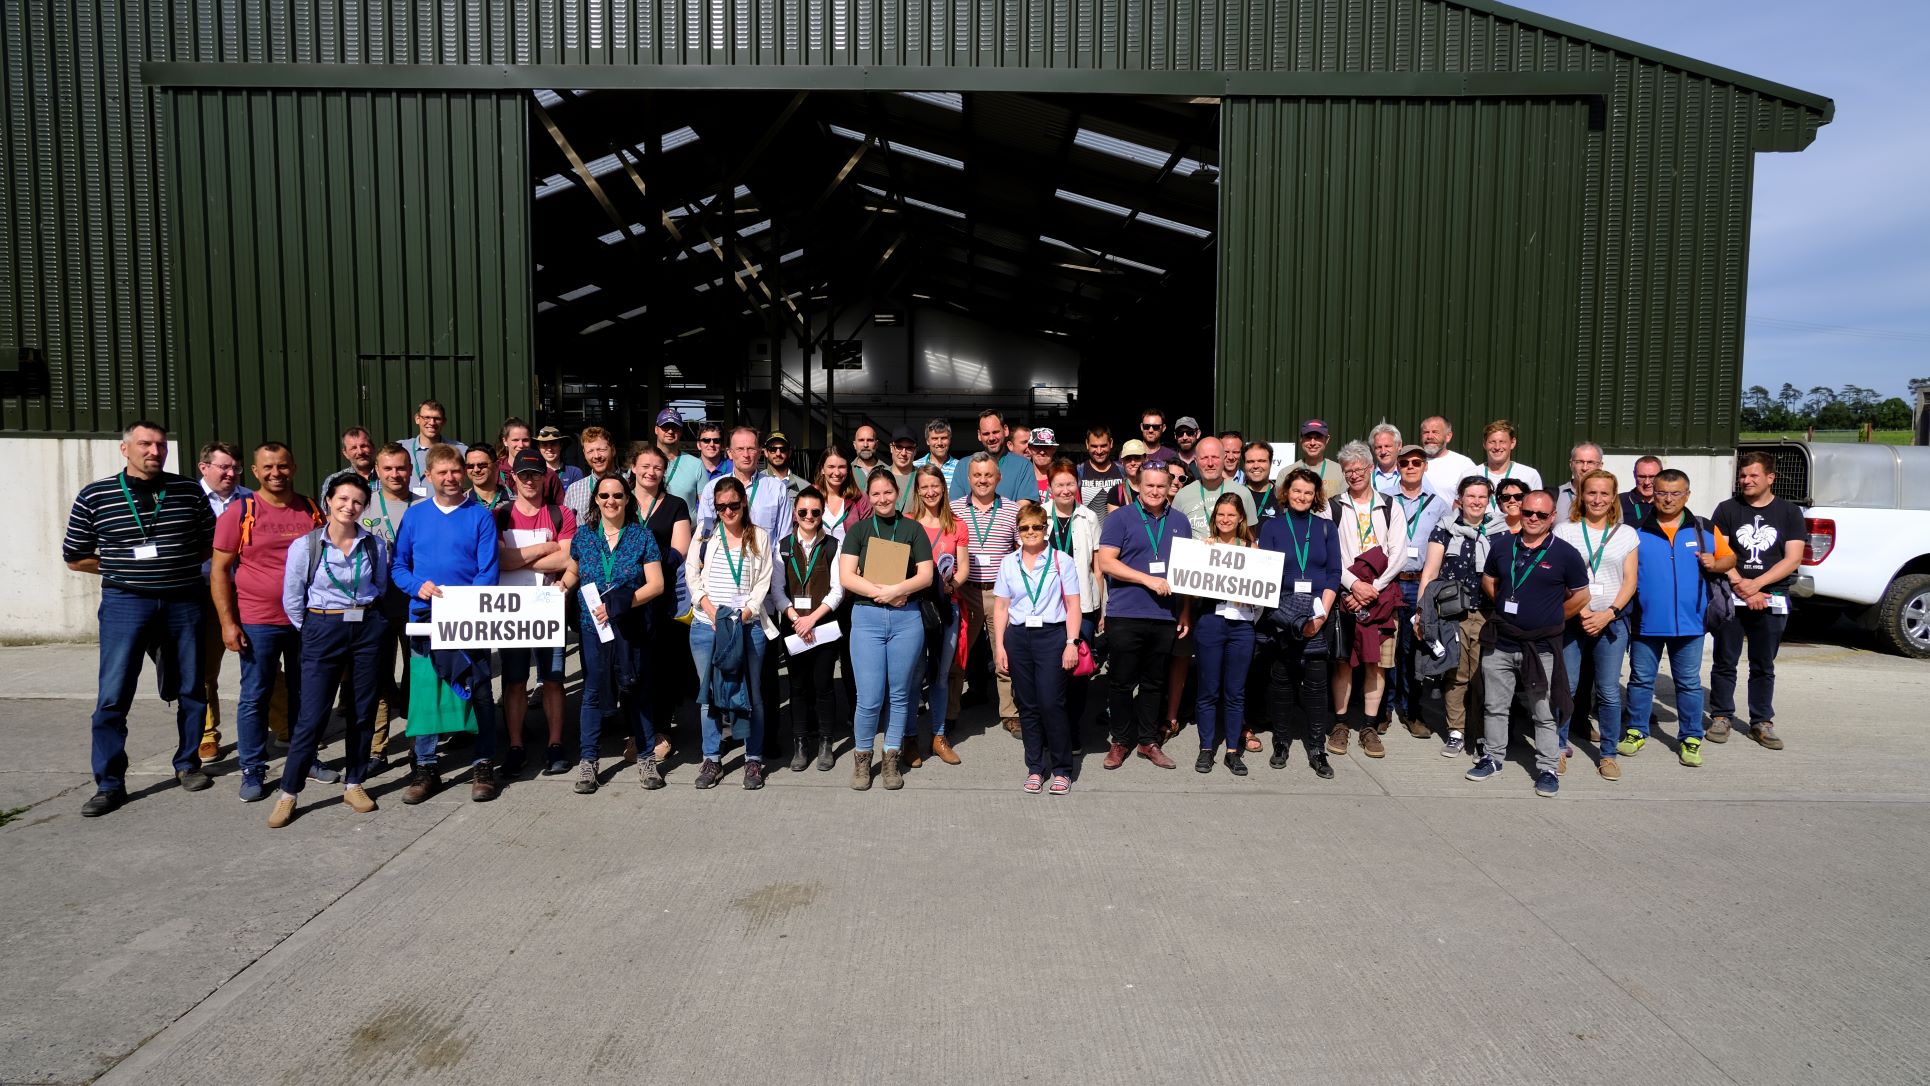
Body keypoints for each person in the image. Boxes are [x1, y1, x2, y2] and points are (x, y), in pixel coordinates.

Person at [63, 420, 219, 816]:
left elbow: (210, 544)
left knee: (191, 687)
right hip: (126, 603)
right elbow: (75, 556)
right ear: (125, 449)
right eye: (145, 444)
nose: (154, 452)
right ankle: (109, 783)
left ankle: (188, 764)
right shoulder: (95, 495)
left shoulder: (187, 491)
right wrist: (122, 568)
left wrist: (173, 565)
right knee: (114, 694)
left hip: (183, 601)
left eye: (161, 445)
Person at [266, 471, 391, 827]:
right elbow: (293, 598)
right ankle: (289, 792)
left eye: (357, 501)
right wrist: (314, 629)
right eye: (343, 499)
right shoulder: (306, 546)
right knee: (312, 715)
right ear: (328, 502)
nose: (349, 506)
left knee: (363, 710)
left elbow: (380, 585)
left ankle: (354, 783)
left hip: (366, 627)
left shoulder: (374, 545)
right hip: (322, 627)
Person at [211, 442, 334, 802]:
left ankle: (305, 759)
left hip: (306, 619)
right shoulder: (240, 511)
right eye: (268, 467)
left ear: (293, 467)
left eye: (282, 466)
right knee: (255, 695)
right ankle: (252, 768)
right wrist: (227, 623)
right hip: (258, 620)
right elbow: (219, 571)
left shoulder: (311, 509)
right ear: (255, 471)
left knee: (305, 693)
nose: (276, 473)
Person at [390, 442, 503, 805]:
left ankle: (483, 763)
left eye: (456, 470)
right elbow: (399, 567)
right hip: (425, 619)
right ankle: (426, 766)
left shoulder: (480, 516)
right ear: (429, 475)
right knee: (427, 692)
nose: (450, 478)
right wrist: (416, 586)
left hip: (468, 620)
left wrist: (464, 606)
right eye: (442, 472)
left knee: (479, 689)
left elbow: (488, 571)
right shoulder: (415, 516)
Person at [1469, 489, 1590, 796]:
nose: (1533, 518)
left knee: (1544, 711)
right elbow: (1489, 580)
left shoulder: (1565, 554)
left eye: (1541, 514)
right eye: (1528, 512)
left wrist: (1553, 617)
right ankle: (1493, 758)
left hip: (1541, 647)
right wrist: (1507, 609)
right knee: (1495, 706)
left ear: (1552, 517)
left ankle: (1548, 768)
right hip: (1502, 641)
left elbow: (1581, 595)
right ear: (1520, 512)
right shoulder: (1502, 546)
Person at [1622, 468, 1734, 769]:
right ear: (1653, 494)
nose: (1668, 499)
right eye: (1662, 493)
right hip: (1646, 622)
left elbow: (1730, 558)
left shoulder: (1703, 529)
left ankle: (1690, 737)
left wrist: (1716, 563)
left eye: (1675, 493)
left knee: (1688, 684)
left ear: (1687, 495)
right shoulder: (1635, 531)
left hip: (1691, 623)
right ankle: (1636, 730)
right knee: (1640, 680)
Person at [566, 473, 667, 793]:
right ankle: (588, 761)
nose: (611, 501)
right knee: (593, 692)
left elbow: (657, 584)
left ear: (627, 500)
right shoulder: (584, 536)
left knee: (636, 690)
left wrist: (620, 605)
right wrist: (560, 586)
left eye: (618, 495)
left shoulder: (642, 537)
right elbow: (573, 570)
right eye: (605, 496)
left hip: (630, 627)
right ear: (596, 500)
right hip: (593, 628)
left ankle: (646, 758)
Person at [839, 470, 935, 791]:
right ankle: (862, 758)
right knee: (868, 697)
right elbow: (847, 576)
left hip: (906, 620)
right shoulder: (859, 530)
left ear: (897, 493)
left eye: (888, 492)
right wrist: (882, 594)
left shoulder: (913, 528)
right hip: (867, 619)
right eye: (876, 494)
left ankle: (892, 757)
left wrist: (897, 591)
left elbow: (926, 575)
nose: (882, 499)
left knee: (900, 694)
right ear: (868, 497)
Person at [687, 475, 782, 790]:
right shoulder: (704, 534)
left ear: (744, 503)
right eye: (721, 507)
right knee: (709, 696)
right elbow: (692, 575)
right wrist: (711, 611)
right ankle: (711, 758)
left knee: (753, 694)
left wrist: (743, 615)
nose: (728, 512)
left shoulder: (759, 536)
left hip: (747, 626)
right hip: (707, 625)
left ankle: (753, 759)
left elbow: (762, 582)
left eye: (734, 505)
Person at [1096, 461, 1190, 771]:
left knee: (1153, 683)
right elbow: (1107, 562)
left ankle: (1148, 741)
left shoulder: (1180, 521)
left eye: (1161, 486)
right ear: (1138, 485)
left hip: (1165, 615)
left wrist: (1185, 611)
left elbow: (1188, 572)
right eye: (1149, 485)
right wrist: (1146, 579)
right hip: (1126, 613)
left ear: (1169, 487)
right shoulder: (1120, 518)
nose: (1155, 491)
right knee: (1122, 682)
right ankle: (1121, 740)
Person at [1708, 451, 1804, 750]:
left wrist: (1758, 585)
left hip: (1772, 596)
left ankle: (1761, 721)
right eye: (1743, 475)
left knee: (1763, 664)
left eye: (1753, 475)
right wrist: (1742, 586)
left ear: (1770, 478)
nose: (1746, 480)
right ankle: (1721, 715)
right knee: (1725, 661)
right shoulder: (1726, 509)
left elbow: (1793, 558)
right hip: (1732, 596)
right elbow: (1720, 553)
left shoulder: (1789, 512)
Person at [1553, 469, 1639, 780]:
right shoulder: (1565, 531)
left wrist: (1609, 613)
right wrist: (1583, 610)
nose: (1598, 499)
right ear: (1581, 495)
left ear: (1613, 497)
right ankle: (1557, 748)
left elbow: (1630, 581)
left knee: (1608, 691)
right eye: (1591, 492)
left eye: (1604, 493)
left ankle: (1608, 754)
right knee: (1567, 686)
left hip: (1611, 622)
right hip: (1574, 620)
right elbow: (1559, 577)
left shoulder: (1626, 534)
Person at [494, 449, 576, 777]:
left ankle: (555, 745)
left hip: (548, 607)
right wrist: (545, 547)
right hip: (511, 609)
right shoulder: (499, 515)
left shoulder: (561, 514)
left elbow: (566, 559)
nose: (530, 480)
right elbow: (499, 560)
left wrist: (517, 558)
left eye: (536, 474)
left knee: (553, 680)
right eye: (524, 474)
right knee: (515, 681)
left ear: (545, 478)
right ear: (513, 477)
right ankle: (516, 746)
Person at [1256, 467, 1341, 777]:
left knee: (1317, 685)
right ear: (1286, 493)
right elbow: (1264, 572)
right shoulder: (1272, 527)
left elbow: (1334, 572)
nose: (1302, 497)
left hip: (1318, 611)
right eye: (1296, 491)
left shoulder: (1326, 528)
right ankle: (1281, 742)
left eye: (1308, 492)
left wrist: (1321, 615)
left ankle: (1317, 748)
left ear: (1316, 495)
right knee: (1281, 681)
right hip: (1283, 612)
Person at [992, 503, 1083, 794]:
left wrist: (1071, 643)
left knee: (1051, 703)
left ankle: (1062, 769)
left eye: (1036, 527)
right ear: (1017, 531)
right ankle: (1034, 767)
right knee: (1027, 706)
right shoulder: (1009, 562)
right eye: (1024, 528)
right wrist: (999, 646)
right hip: (1018, 637)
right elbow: (1001, 607)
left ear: (1045, 528)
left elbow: (1073, 605)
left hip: (1051, 636)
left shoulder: (1061, 560)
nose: (1030, 532)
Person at [1416, 476, 1495, 758]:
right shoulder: (1444, 529)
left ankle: (1482, 735)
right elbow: (1429, 573)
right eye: (1470, 496)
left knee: (1483, 677)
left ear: (1488, 500)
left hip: (1487, 614)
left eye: (1482, 497)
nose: (1476, 502)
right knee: (1457, 675)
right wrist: (1421, 614)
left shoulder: (1499, 533)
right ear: (1460, 499)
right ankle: (1456, 732)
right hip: (1452, 615)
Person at [1329, 441, 1397, 758]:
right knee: (1343, 663)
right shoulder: (1334, 506)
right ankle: (1341, 723)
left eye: (1359, 469)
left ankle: (1369, 727)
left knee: (1376, 664)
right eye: (1348, 471)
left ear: (1371, 469)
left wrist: (1374, 588)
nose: (1354, 475)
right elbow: (1332, 552)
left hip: (1382, 596)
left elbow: (1398, 553)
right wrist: (1354, 585)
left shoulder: (1389, 505)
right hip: (1346, 593)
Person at [1184, 495, 1260, 774]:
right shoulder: (1205, 547)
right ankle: (1206, 749)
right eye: (1220, 515)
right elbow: (1191, 590)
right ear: (1214, 518)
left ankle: (1232, 751)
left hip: (1242, 626)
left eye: (1231, 515)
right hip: (1210, 622)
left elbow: (1261, 591)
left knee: (1235, 692)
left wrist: (1250, 599)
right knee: (1208, 689)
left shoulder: (1252, 549)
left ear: (1241, 518)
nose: (1225, 520)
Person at [629, 443, 693, 764]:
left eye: (657, 467)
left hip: (663, 597)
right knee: (632, 666)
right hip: (628, 597)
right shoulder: (620, 500)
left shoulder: (676, 505)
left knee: (663, 667)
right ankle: (636, 731)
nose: (651, 472)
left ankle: (662, 731)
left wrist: (646, 562)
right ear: (633, 467)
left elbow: (679, 551)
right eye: (645, 466)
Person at [1382, 443, 1450, 737]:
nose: (1410, 467)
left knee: (1415, 649)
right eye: (1405, 462)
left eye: (1416, 462)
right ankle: (1383, 709)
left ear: (1425, 466)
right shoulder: (1385, 500)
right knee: (1388, 648)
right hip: (1391, 582)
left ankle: (1412, 711)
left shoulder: (1438, 504)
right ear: (1397, 467)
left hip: (1421, 582)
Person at [950, 452, 1022, 732]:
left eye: (988, 475)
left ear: (998, 478)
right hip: (965, 591)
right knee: (958, 655)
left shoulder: (1012, 510)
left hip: (1000, 594)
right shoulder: (954, 509)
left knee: (1004, 653)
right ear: (969, 478)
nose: (982, 480)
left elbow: (1020, 551)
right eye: (977, 475)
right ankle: (950, 712)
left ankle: (1009, 712)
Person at [777, 487, 846, 772]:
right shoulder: (782, 546)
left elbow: (837, 590)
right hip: (793, 626)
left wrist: (812, 619)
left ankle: (826, 743)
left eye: (815, 512)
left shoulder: (832, 545)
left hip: (823, 627)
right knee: (798, 686)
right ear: (795, 513)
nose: (809, 516)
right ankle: (800, 743)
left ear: (822, 514)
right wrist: (796, 619)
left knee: (824, 684)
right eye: (803, 511)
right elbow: (777, 590)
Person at [357, 442, 416, 772]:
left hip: (415, 605)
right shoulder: (362, 505)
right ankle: (376, 748)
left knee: (417, 674)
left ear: (411, 469)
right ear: (377, 471)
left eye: (401, 467)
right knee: (378, 678)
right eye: (388, 468)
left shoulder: (423, 506)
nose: (395, 474)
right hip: (375, 607)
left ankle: (416, 744)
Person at [194, 440, 250, 762]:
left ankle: (283, 725)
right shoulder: (189, 500)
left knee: (262, 662)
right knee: (205, 669)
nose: (231, 473)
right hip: (202, 592)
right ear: (204, 468)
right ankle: (207, 734)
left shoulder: (251, 500)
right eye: (224, 467)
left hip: (245, 590)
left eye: (235, 468)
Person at [911, 464, 969, 765]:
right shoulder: (908, 523)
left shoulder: (956, 525)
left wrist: (952, 584)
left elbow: (964, 567)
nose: (930, 491)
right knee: (913, 674)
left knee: (941, 675)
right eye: (924, 486)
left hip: (947, 606)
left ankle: (938, 736)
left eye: (935, 486)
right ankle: (909, 739)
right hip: (914, 607)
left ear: (943, 489)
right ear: (917, 490)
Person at [1043, 460, 1103, 747]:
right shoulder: (1041, 516)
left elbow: (1097, 567)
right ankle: (1053, 729)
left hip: (1083, 605)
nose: (1065, 490)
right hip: (1048, 604)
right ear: (1050, 488)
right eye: (1059, 485)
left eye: (1070, 484)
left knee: (1078, 671)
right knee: (1051, 670)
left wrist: (1101, 607)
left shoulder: (1088, 517)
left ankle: (1073, 728)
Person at [698, 426, 793, 542]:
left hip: (764, 553)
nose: (746, 454)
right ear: (729, 453)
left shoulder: (777, 489)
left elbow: (784, 537)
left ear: (759, 453)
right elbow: (705, 532)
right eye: (740, 449)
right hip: (725, 553)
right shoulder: (712, 488)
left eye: (751, 449)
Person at [1172, 435, 1257, 534]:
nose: (1210, 463)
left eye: (1215, 457)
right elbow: (1173, 534)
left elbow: (1250, 536)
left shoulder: (1243, 493)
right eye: (1204, 458)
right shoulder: (1182, 496)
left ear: (1224, 459)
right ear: (1196, 461)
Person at [950, 410, 1034, 501]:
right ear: (979, 435)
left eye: (995, 432)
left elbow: (1024, 505)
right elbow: (955, 505)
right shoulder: (963, 466)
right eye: (986, 434)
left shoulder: (1023, 466)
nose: (991, 438)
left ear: (1005, 430)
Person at [397, 399, 466, 494]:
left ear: (444, 421)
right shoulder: (401, 448)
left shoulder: (460, 450)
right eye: (427, 417)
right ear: (417, 419)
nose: (432, 423)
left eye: (437, 418)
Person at [562, 426, 619, 527]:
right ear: (584, 454)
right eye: (590, 451)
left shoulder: (631, 483)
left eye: (601, 449)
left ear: (613, 450)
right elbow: (567, 528)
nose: (596, 456)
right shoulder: (574, 490)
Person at [655, 408, 708, 512]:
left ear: (681, 431)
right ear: (656, 429)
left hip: (686, 523)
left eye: (675, 427)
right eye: (665, 426)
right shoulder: (642, 462)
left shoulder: (696, 465)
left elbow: (706, 508)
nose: (670, 431)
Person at [813, 446, 869, 543]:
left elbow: (868, 536)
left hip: (850, 552)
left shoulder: (860, 499)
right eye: (831, 467)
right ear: (822, 469)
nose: (837, 473)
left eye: (842, 467)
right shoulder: (809, 496)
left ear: (848, 469)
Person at [1473, 419, 1542, 490]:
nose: (1497, 447)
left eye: (1502, 442)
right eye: (1492, 442)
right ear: (1484, 444)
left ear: (1512, 443)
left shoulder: (1529, 475)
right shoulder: (1472, 474)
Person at [1419, 415, 1478, 498]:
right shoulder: (1409, 463)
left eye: (1435, 432)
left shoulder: (1464, 464)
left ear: (1448, 436)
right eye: (1426, 432)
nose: (1430, 437)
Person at [1078, 425, 1127, 521]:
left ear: (1111, 443)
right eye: (1094, 446)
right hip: (1087, 529)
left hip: (1117, 529)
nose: (1099, 451)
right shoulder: (1079, 471)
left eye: (1103, 446)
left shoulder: (1123, 471)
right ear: (1087, 444)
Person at [1286, 418, 1344, 498]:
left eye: (1318, 437)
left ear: (1327, 439)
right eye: (1308, 437)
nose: (1312, 443)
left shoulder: (1340, 471)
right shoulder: (1286, 473)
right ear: (1301, 439)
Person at [1552, 442, 1604, 523]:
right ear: (1571, 464)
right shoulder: (1555, 496)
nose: (1585, 468)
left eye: (1590, 462)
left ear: (1600, 465)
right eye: (1579, 462)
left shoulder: (1608, 499)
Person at [912, 418, 960, 491]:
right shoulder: (915, 467)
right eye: (935, 438)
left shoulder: (960, 467)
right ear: (927, 441)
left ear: (950, 439)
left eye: (943, 438)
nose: (939, 443)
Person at [759, 431, 809, 500]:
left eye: (783, 449)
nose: (778, 453)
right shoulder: (756, 484)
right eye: (773, 449)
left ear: (789, 452)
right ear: (766, 452)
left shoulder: (804, 487)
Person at [1239, 442, 1280, 521]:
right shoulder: (1236, 495)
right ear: (1244, 464)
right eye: (1250, 461)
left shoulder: (1281, 496)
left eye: (1261, 461)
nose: (1256, 466)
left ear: (1270, 463)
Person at [534, 426, 583, 490]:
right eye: (544, 444)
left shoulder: (574, 473)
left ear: (561, 446)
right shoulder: (534, 473)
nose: (549, 449)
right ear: (539, 447)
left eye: (553, 444)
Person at [1621, 456, 1663, 531]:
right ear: (1634, 475)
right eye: (1642, 477)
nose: (1647, 482)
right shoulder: (1618, 502)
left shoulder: (1668, 502)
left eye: (1652, 477)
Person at [884, 426, 921, 511]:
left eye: (909, 448)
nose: (903, 453)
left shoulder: (922, 477)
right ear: (891, 448)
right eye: (899, 447)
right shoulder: (879, 476)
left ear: (915, 451)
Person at [1108, 440, 1149, 511]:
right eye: (1128, 459)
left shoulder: (1155, 488)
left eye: (1137, 458)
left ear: (1145, 459)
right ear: (1122, 462)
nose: (1133, 463)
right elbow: (1114, 518)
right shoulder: (1115, 492)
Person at [464, 444, 508, 511]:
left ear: (496, 465)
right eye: (470, 466)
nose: (476, 470)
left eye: (482, 465)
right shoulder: (461, 504)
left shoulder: (514, 501)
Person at [1022, 426, 1060, 502]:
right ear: (1029, 449)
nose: (1042, 452)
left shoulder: (1063, 477)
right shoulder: (1022, 478)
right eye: (1037, 446)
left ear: (1054, 449)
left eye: (1046, 447)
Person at [1367, 423, 1404, 494]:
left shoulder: (1410, 474)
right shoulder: (1367, 477)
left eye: (1387, 446)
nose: (1383, 451)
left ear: (1399, 445)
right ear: (1373, 449)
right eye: (1378, 447)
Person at [850, 423, 885, 488]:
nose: (865, 445)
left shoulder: (887, 470)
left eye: (870, 440)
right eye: (861, 440)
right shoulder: (847, 471)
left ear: (876, 444)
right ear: (854, 445)